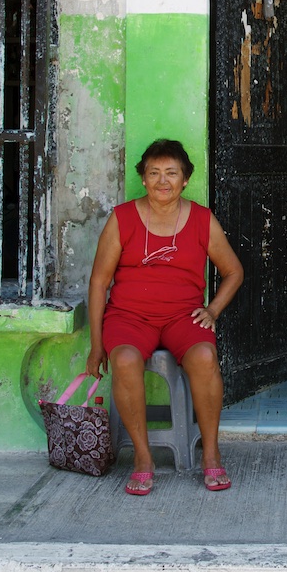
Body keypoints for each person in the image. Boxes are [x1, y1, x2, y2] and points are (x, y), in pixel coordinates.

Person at [86, 139, 245, 495]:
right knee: (125, 359)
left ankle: (211, 453)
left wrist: (213, 309)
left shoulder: (202, 220)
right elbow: (99, 282)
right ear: (143, 178)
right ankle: (143, 459)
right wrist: (97, 346)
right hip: (128, 316)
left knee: (205, 357)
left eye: (171, 173)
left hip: (181, 316)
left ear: (185, 179)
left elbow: (234, 271)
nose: (163, 180)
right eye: (154, 172)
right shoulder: (122, 218)